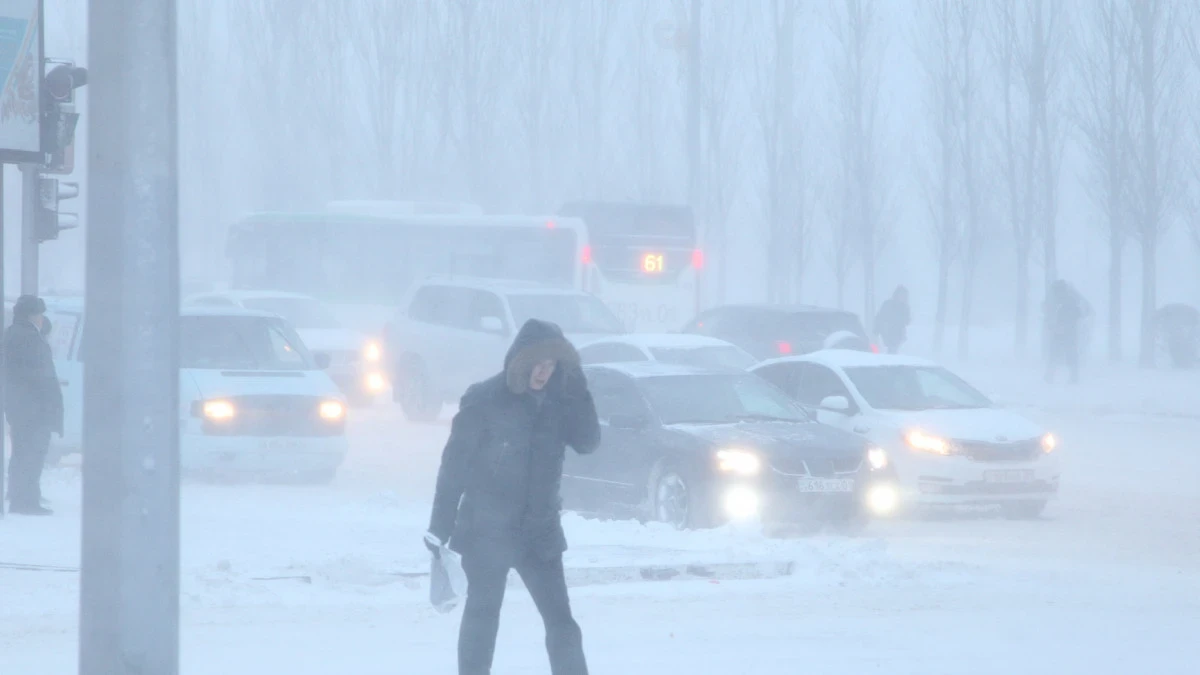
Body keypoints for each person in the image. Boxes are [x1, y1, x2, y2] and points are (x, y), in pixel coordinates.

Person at [424, 318, 601, 675]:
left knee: (561, 622)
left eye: (551, 365)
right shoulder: (485, 399)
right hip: (487, 530)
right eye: (537, 364)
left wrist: (578, 387)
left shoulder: (560, 402)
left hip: (540, 531)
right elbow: (453, 467)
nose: (542, 372)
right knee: (482, 618)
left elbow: (588, 442)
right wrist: (438, 529)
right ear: (520, 361)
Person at [4, 295, 63, 515]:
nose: (42, 319)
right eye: (40, 315)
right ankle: (25, 500)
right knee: (32, 453)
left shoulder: (13, 333)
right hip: (33, 409)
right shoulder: (29, 338)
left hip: (21, 407)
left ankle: (21, 494)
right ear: (33, 315)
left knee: (22, 452)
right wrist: (50, 406)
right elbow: (42, 377)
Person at [1045, 280, 1084, 384]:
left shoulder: (1069, 303)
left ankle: (1072, 378)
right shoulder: (1063, 302)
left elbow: (1073, 317)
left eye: (1056, 292)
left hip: (1067, 335)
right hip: (1063, 334)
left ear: (1061, 291)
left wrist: (1060, 327)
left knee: (1067, 355)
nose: (1055, 295)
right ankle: (1050, 376)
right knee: (1056, 354)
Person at [874, 285, 911, 354]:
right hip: (886, 332)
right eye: (901, 295)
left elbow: (907, 321)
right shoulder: (887, 304)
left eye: (904, 295)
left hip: (898, 334)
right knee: (884, 350)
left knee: (893, 350)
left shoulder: (905, 307)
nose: (902, 297)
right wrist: (876, 331)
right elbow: (879, 317)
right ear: (896, 294)